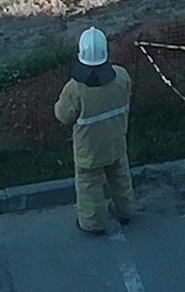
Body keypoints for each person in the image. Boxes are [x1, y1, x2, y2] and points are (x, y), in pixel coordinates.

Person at [54, 26, 137, 235]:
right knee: (120, 177)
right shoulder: (121, 76)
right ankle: (126, 211)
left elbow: (63, 116)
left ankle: (92, 224)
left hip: (89, 151)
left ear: (80, 54)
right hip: (116, 142)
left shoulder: (75, 88)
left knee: (89, 186)